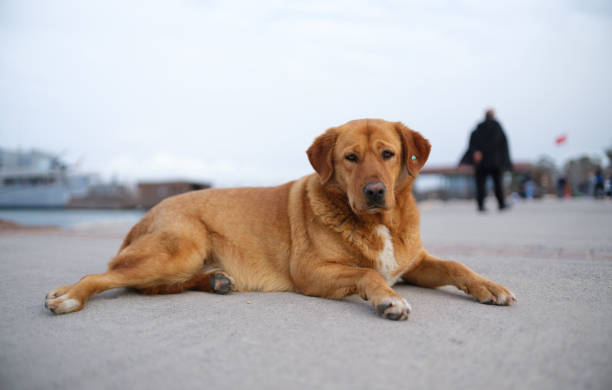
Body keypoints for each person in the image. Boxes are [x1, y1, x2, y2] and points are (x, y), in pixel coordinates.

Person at [460, 109, 512, 211]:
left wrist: (476, 152)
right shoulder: (497, 127)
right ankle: (501, 204)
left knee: (480, 185)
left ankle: (480, 205)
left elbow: (472, 143)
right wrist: (506, 161)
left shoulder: (479, 127)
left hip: (481, 162)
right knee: (498, 184)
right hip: (495, 162)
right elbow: (504, 145)